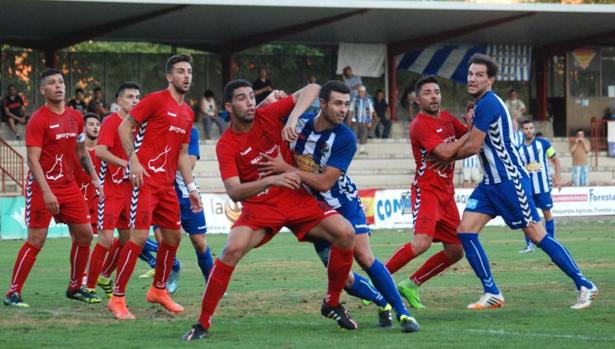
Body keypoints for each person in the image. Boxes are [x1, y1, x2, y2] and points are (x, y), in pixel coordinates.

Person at [182, 79, 357, 341]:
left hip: (294, 198)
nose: (250, 102)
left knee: (346, 233)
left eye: (252, 96)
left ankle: (332, 302)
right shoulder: (226, 144)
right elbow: (234, 191)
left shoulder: (269, 113)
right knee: (231, 250)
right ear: (229, 106)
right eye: (242, 98)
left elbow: (311, 88)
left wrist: (292, 118)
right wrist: (271, 180)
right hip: (260, 207)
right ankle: (202, 323)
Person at [433, 53, 597, 310]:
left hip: (511, 181)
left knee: (535, 233)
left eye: (479, 75)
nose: (472, 78)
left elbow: (474, 145)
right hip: (490, 184)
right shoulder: (479, 105)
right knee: (465, 232)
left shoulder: (487, 103)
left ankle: (584, 283)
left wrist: (445, 156)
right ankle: (492, 292)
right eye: (470, 74)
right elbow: (477, 140)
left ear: (491, 80)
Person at [257, 80, 420, 333]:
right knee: (342, 278)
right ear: (323, 104)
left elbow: (324, 182)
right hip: (312, 211)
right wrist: (280, 109)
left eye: (346, 104)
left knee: (364, 256)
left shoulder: (345, 138)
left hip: (343, 203)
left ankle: (403, 313)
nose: (344, 109)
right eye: (337, 103)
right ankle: (382, 303)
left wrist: (286, 169)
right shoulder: (300, 122)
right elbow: (266, 112)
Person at [108, 54, 202, 320]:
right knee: (137, 238)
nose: (187, 76)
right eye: (181, 71)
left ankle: (159, 290)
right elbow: (125, 128)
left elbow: (183, 156)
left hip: (167, 186)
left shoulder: (187, 113)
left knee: (173, 237)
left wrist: (192, 188)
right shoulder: (154, 101)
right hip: (145, 182)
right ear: (169, 76)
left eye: (190, 71)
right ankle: (117, 298)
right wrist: (133, 160)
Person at [4, 68, 102, 307]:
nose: (58, 86)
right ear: (42, 90)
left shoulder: (75, 117)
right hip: (41, 187)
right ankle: (13, 293)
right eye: (52, 83)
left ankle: (75, 287)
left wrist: (95, 178)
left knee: (85, 235)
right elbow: (32, 160)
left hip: (69, 187)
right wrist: (47, 191)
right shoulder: (38, 120)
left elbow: (81, 151)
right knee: (36, 240)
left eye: (60, 82)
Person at [384, 75, 467, 309]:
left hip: (447, 194)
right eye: (428, 92)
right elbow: (443, 151)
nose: (434, 96)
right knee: (422, 243)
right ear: (417, 99)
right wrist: (463, 141)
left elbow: (472, 143)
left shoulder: (449, 119)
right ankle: (376, 280)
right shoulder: (420, 124)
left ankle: (411, 284)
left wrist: (464, 139)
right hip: (427, 189)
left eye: (437, 92)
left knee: (455, 250)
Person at [137, 127, 214, 294]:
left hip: (186, 194)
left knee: (200, 243)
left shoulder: (190, 131)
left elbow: (191, 162)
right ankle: (173, 270)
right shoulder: (155, 130)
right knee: (161, 240)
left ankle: (212, 282)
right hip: (161, 193)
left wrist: (168, 156)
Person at [85, 82, 141, 299]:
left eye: (137, 96)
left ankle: (105, 276)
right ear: (119, 101)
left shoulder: (138, 124)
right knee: (106, 239)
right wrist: (127, 164)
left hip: (130, 190)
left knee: (128, 241)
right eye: (129, 96)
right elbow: (99, 151)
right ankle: (88, 287)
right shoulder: (110, 122)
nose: (134, 100)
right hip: (110, 189)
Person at [517, 120, 563, 253]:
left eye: (531, 128)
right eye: (526, 128)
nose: (529, 130)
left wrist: (558, 178)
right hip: (527, 188)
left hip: (542, 186)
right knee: (528, 216)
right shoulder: (519, 149)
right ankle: (529, 245)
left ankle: (552, 243)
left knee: (547, 213)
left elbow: (556, 159)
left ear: (533, 129)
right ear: (523, 131)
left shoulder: (543, 144)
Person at [348, 86, 374, 154]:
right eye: (360, 91)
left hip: (365, 121)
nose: (361, 93)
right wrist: (349, 120)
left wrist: (370, 122)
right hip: (355, 120)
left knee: (363, 134)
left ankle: (361, 149)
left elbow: (371, 111)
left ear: (364, 92)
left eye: (362, 92)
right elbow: (350, 110)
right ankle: (353, 149)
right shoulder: (354, 99)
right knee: (354, 134)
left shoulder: (368, 100)